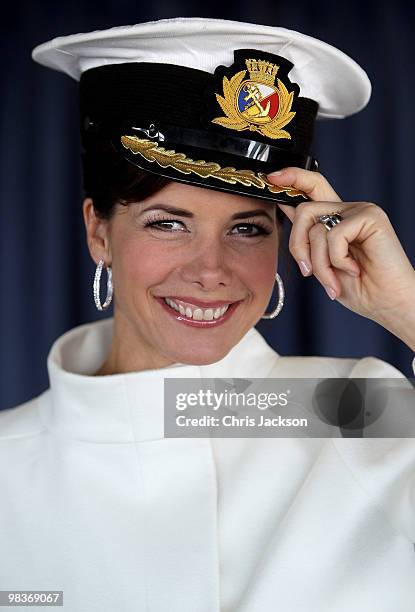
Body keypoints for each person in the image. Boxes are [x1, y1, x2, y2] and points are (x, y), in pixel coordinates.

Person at [1, 17, 415, 611]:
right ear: (98, 231)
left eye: (248, 228)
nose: (211, 269)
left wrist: (406, 307)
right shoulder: (7, 461)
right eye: (168, 223)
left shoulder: (357, 409)